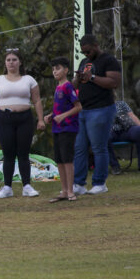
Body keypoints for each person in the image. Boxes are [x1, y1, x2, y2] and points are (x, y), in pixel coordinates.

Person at [0, 49, 45, 198]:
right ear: (5, 63)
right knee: (8, 153)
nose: (11, 62)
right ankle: (7, 187)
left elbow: (37, 100)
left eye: (14, 59)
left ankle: (27, 186)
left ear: (20, 62)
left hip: (25, 118)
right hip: (5, 119)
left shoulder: (29, 79)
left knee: (23, 153)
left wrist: (41, 119)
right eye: (8, 60)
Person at [72, 35, 121, 195]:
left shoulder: (108, 60)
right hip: (83, 110)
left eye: (88, 51)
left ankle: (100, 183)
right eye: (83, 52)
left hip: (101, 109)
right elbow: (74, 85)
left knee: (98, 147)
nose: (86, 54)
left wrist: (91, 77)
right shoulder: (84, 62)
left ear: (96, 45)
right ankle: (78, 183)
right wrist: (77, 79)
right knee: (79, 147)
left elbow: (114, 82)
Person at [43, 57, 81, 202]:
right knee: (59, 160)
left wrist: (63, 117)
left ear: (66, 70)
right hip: (57, 128)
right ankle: (64, 190)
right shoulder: (58, 87)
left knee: (67, 159)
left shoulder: (68, 86)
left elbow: (78, 107)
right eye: (53, 69)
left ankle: (71, 191)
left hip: (68, 128)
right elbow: (61, 108)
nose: (55, 72)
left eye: (58, 68)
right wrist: (51, 116)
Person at [107, 100, 140, 174]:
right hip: (110, 131)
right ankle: (115, 166)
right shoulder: (100, 106)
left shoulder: (121, 103)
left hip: (126, 129)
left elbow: (132, 116)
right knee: (103, 137)